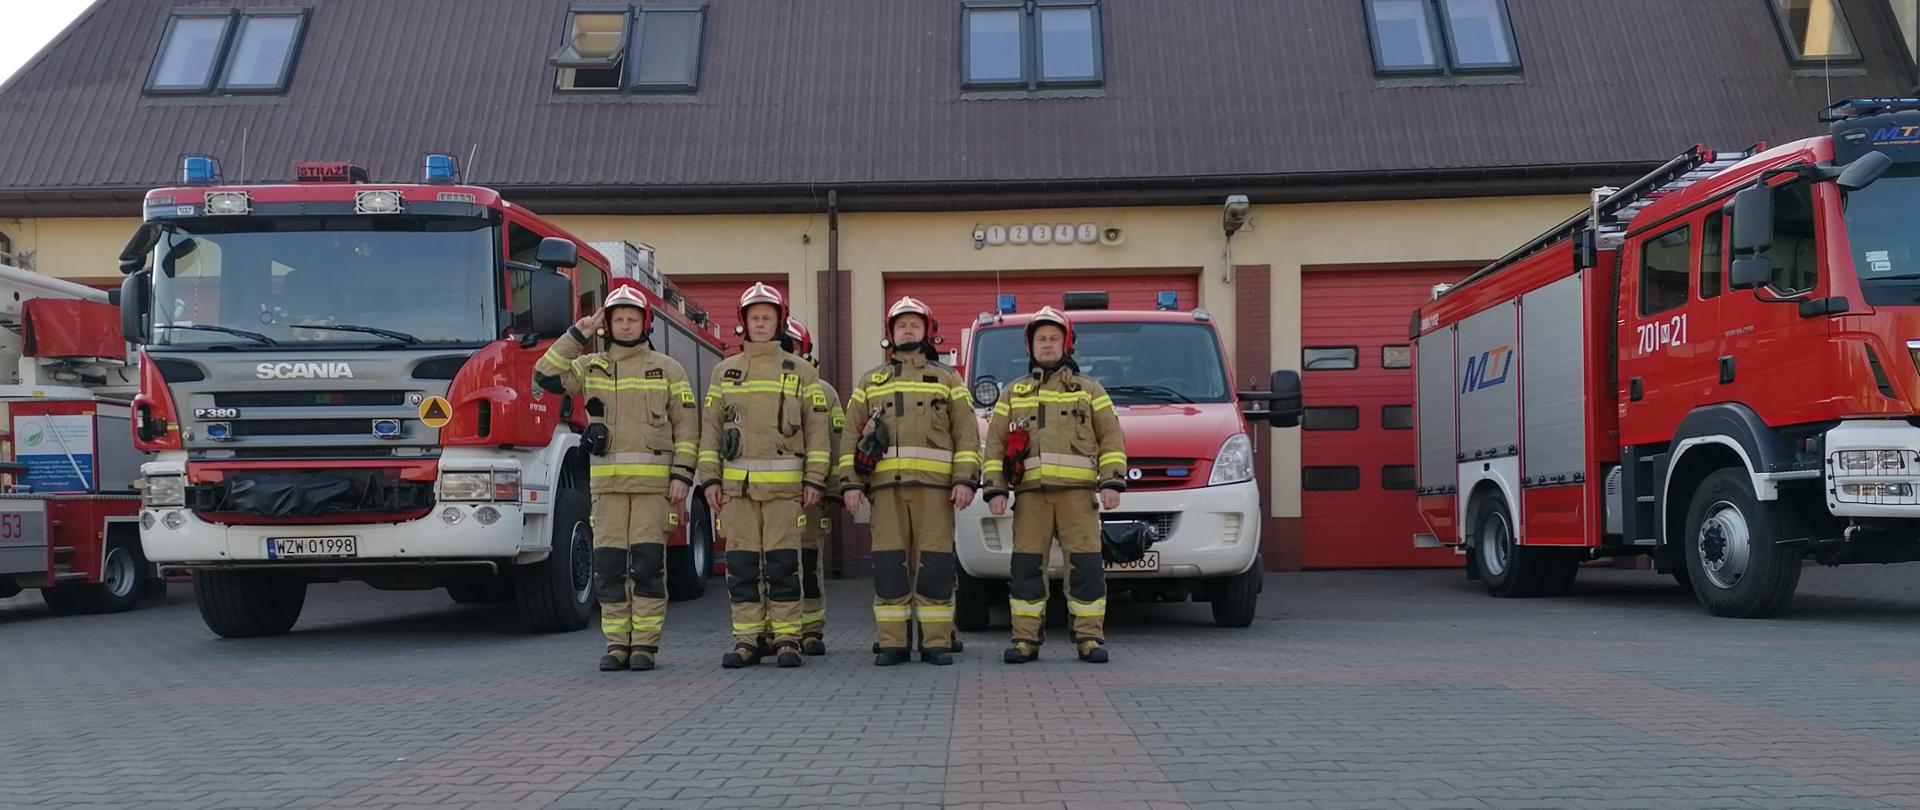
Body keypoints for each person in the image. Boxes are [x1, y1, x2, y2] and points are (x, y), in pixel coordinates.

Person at [531, 282, 698, 671]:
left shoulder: (669, 370)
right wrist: (578, 335)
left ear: (646, 323)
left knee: (646, 566)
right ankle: (616, 644)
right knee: (608, 567)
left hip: (651, 490)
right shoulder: (590, 367)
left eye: (632, 318)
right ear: (608, 324)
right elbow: (544, 373)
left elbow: (687, 430)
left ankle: (644, 645)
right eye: (618, 318)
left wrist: (683, 476)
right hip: (606, 490)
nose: (625, 325)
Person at [980, 306, 1127, 664]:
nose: (1047, 345)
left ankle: (1089, 638)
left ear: (1067, 344)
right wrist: (995, 488)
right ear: (1030, 346)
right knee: (1026, 569)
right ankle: (1025, 640)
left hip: (1078, 497)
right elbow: (995, 444)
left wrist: (1112, 483)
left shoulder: (1090, 391)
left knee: (1087, 568)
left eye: (1054, 338)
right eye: (1040, 339)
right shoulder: (1013, 393)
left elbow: (1111, 439)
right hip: (1031, 497)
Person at [697, 283, 832, 669]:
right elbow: (710, 431)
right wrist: (709, 480)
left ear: (779, 322)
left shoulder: (801, 372)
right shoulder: (724, 372)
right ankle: (747, 640)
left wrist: (815, 481)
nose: (760, 323)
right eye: (754, 317)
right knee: (741, 568)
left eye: (767, 317)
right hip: (737, 492)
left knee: (783, 566)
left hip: (785, 493)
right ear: (743, 323)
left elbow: (817, 434)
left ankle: (787, 638)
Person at [840, 296, 980, 666]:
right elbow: (850, 437)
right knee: (888, 566)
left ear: (927, 331)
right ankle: (893, 644)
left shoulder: (948, 379)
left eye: (914, 325)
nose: (907, 329)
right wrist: (851, 483)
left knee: (935, 566)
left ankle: (935, 642)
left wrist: (965, 479)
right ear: (891, 332)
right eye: (901, 324)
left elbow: (966, 434)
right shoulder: (871, 382)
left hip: (936, 492)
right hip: (885, 492)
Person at [785, 316, 842, 656]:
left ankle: (810, 629)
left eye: (791, 346)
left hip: (808, 494)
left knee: (807, 564)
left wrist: (831, 487)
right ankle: (774, 629)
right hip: (763, 494)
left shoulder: (823, 392)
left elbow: (835, 442)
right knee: (769, 565)